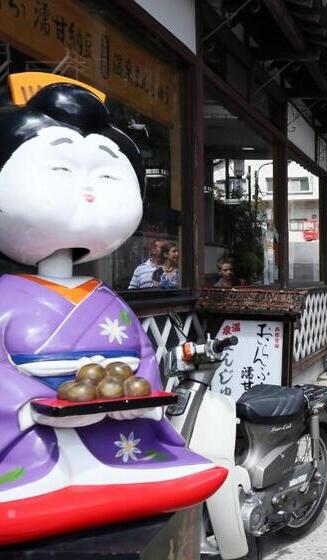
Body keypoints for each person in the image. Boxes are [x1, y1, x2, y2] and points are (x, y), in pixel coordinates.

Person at [0, 78, 226, 545]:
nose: (87, 190)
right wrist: (33, 405)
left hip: (121, 437)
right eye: (60, 170)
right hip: (34, 443)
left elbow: (142, 357)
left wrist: (136, 398)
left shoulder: (103, 296)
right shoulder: (8, 295)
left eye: (106, 177)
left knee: (156, 478)